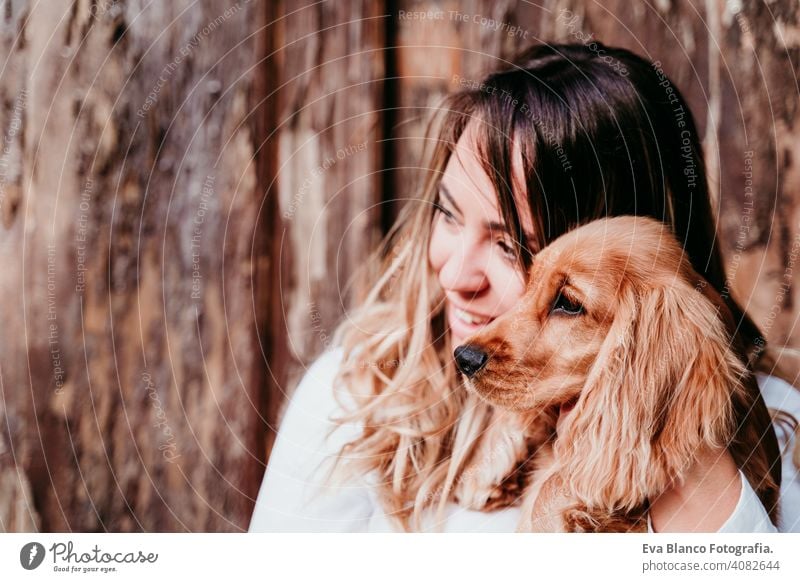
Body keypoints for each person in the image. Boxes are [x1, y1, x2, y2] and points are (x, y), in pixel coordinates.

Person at [249, 43, 800, 533]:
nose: (454, 274)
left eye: (512, 247)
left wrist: (676, 431)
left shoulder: (782, 430)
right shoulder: (361, 396)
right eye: (447, 212)